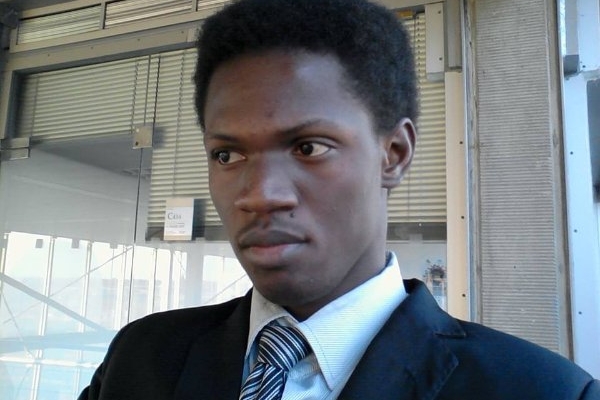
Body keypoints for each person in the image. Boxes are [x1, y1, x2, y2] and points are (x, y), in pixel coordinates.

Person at [79, 0, 600, 399]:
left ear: (393, 154)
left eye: (309, 147)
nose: (260, 195)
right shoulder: (141, 360)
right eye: (227, 155)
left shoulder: (542, 391)